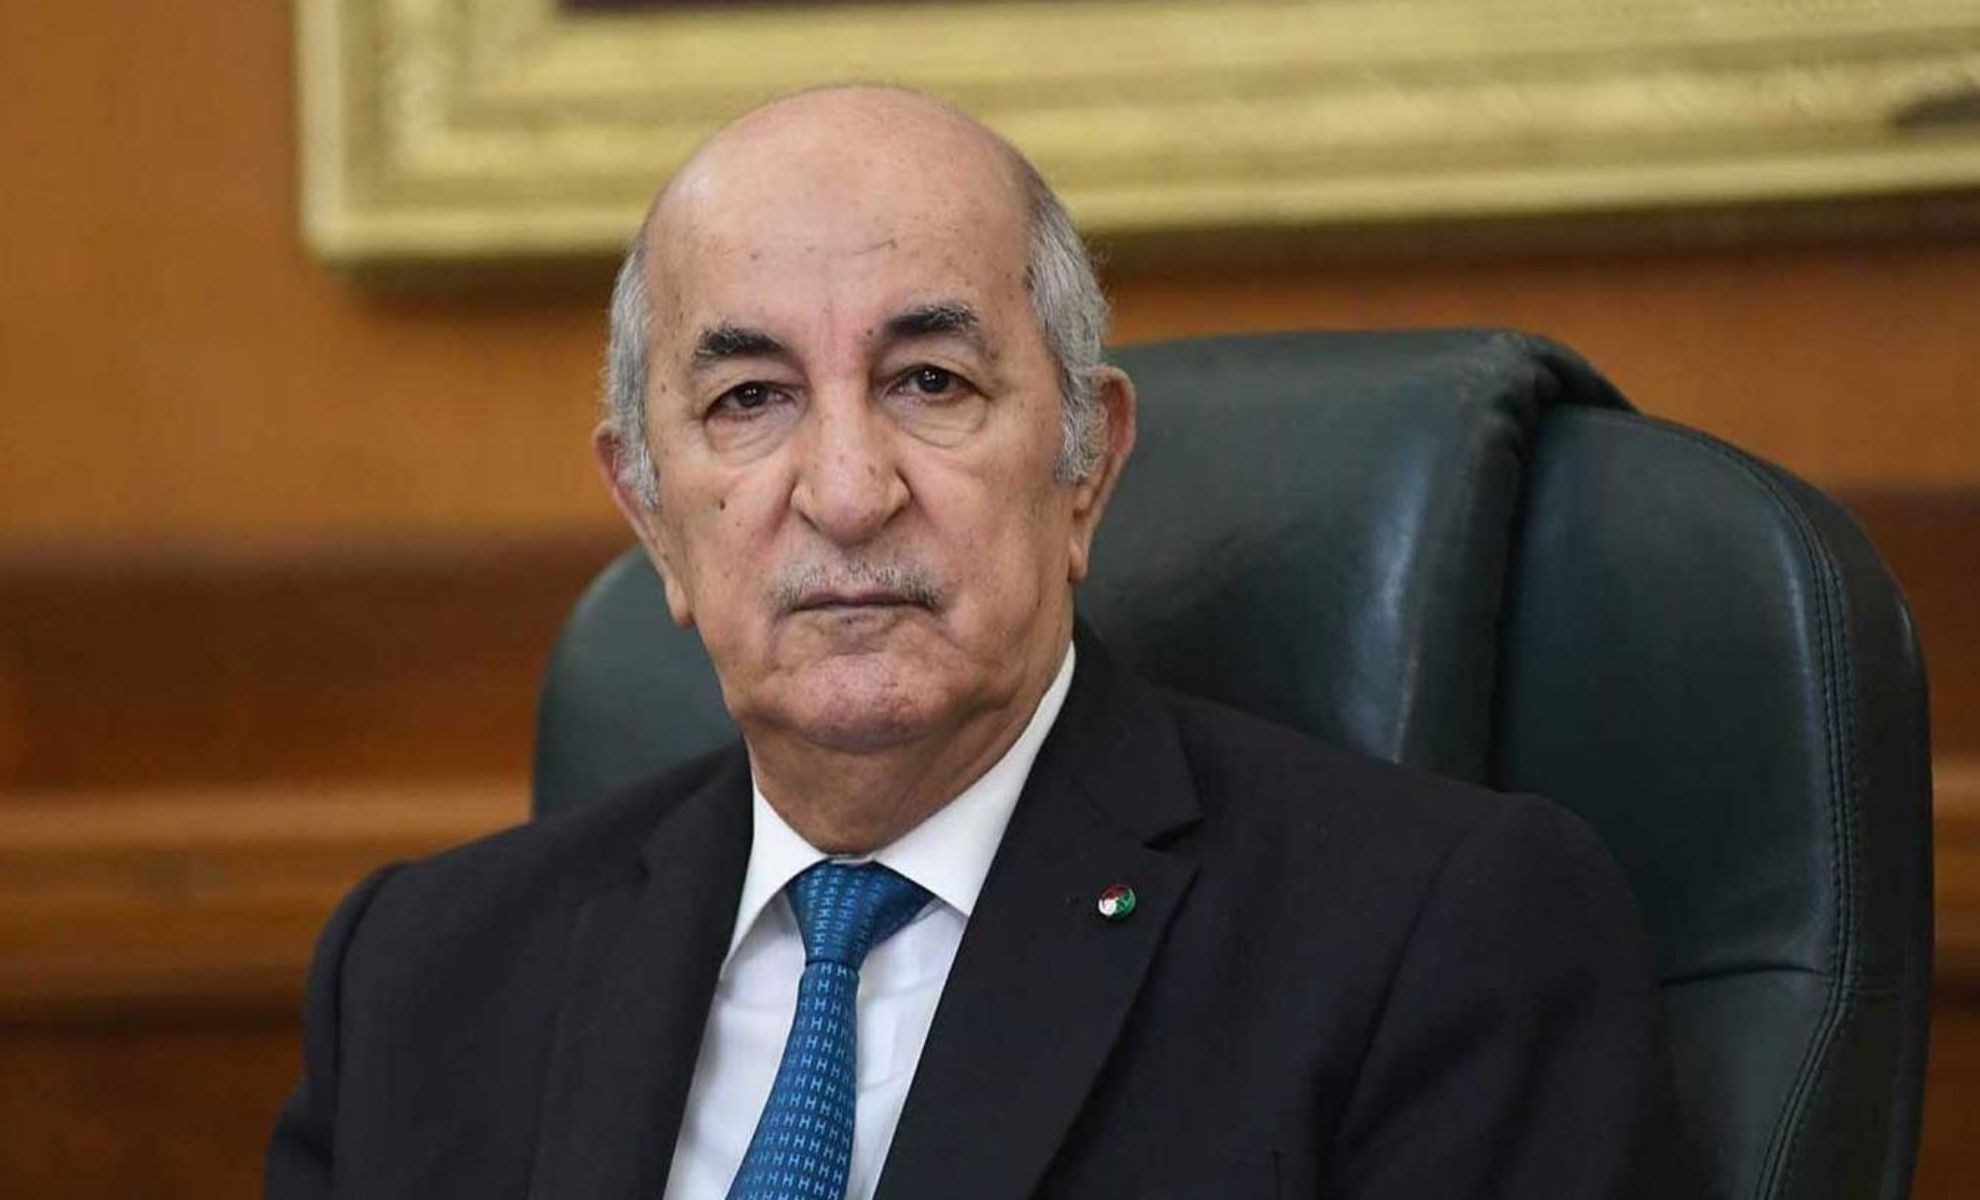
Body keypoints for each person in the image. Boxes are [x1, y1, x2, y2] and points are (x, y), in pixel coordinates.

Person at [266, 86, 1680, 1199]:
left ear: (1085, 469)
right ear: (652, 516)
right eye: (751, 399)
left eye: (929, 381)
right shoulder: (422, 979)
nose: (845, 491)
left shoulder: (1436, 939)